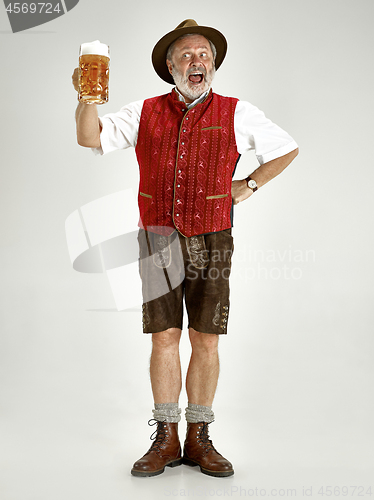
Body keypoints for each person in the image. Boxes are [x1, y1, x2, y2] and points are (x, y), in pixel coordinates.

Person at [72, 19, 299, 478]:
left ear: (212, 65)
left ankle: (199, 437)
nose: (197, 61)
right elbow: (89, 136)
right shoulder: (145, 111)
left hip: (213, 236)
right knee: (164, 338)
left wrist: (250, 184)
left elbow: (287, 148)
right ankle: (166, 435)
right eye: (187, 56)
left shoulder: (238, 111)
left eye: (204, 55)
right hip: (157, 237)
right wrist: (85, 98)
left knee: (206, 338)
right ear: (170, 67)